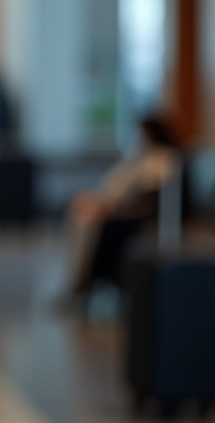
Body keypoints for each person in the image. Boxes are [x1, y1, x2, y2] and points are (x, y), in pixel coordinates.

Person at [61, 115, 180, 303]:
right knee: (80, 217)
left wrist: (110, 209)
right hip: (118, 207)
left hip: (137, 216)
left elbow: (147, 197)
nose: (139, 137)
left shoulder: (162, 158)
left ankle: (87, 283)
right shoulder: (141, 156)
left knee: (100, 226)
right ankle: (81, 283)